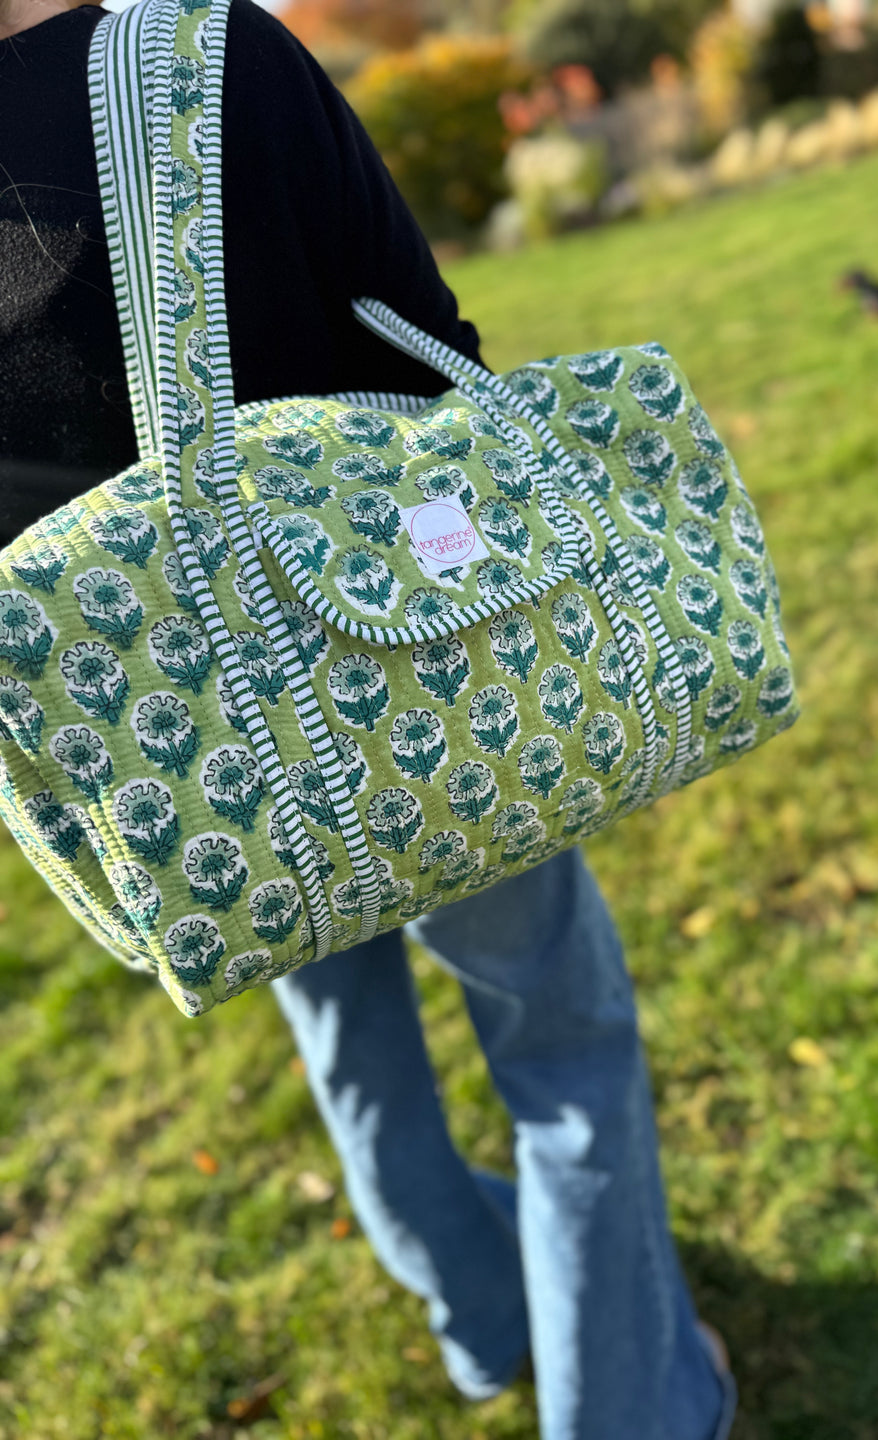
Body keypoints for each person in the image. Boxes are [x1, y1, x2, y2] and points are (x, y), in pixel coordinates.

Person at [0, 1, 737, 1435]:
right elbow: (427, 346)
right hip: (422, 682)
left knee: (353, 1044)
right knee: (564, 1044)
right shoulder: (199, 53)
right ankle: (638, 1404)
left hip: (196, 756)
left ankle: (485, 1310)